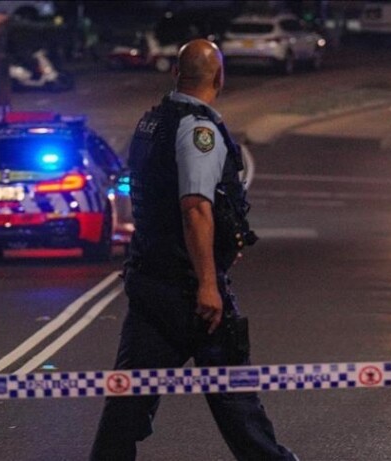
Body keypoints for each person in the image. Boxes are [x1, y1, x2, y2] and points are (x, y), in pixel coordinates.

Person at [90, 39, 296, 461]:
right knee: (235, 399)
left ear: (175, 74)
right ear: (219, 78)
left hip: (151, 279)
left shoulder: (154, 122)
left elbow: (152, 200)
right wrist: (208, 284)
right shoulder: (198, 130)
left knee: (129, 399)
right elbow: (196, 209)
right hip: (188, 289)